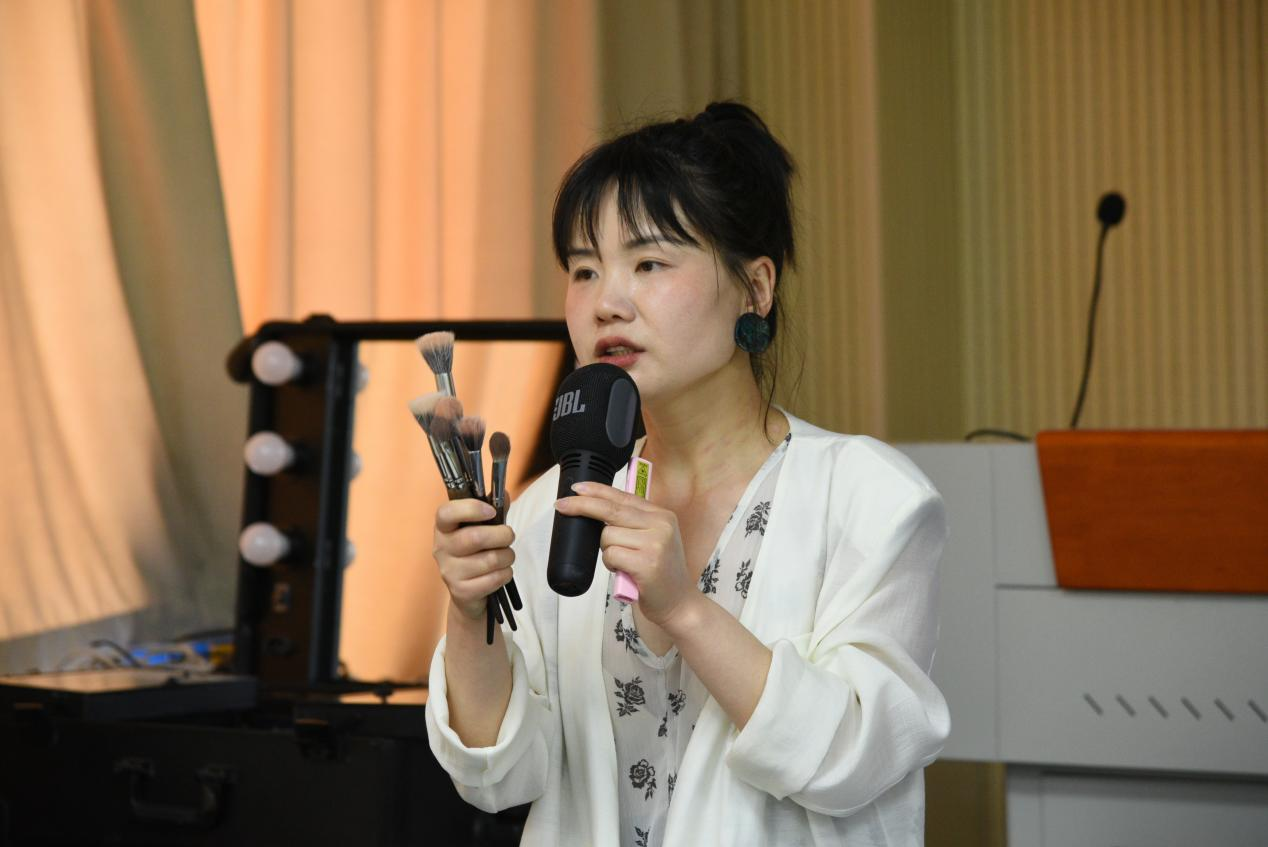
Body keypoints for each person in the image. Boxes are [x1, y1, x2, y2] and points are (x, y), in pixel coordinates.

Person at [425, 101, 950, 846]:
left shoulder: (871, 500)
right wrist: (468, 609)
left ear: (755, 287)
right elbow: (499, 775)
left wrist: (684, 608)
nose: (607, 303)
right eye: (584, 270)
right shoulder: (552, 507)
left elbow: (857, 757)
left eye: (649, 263)